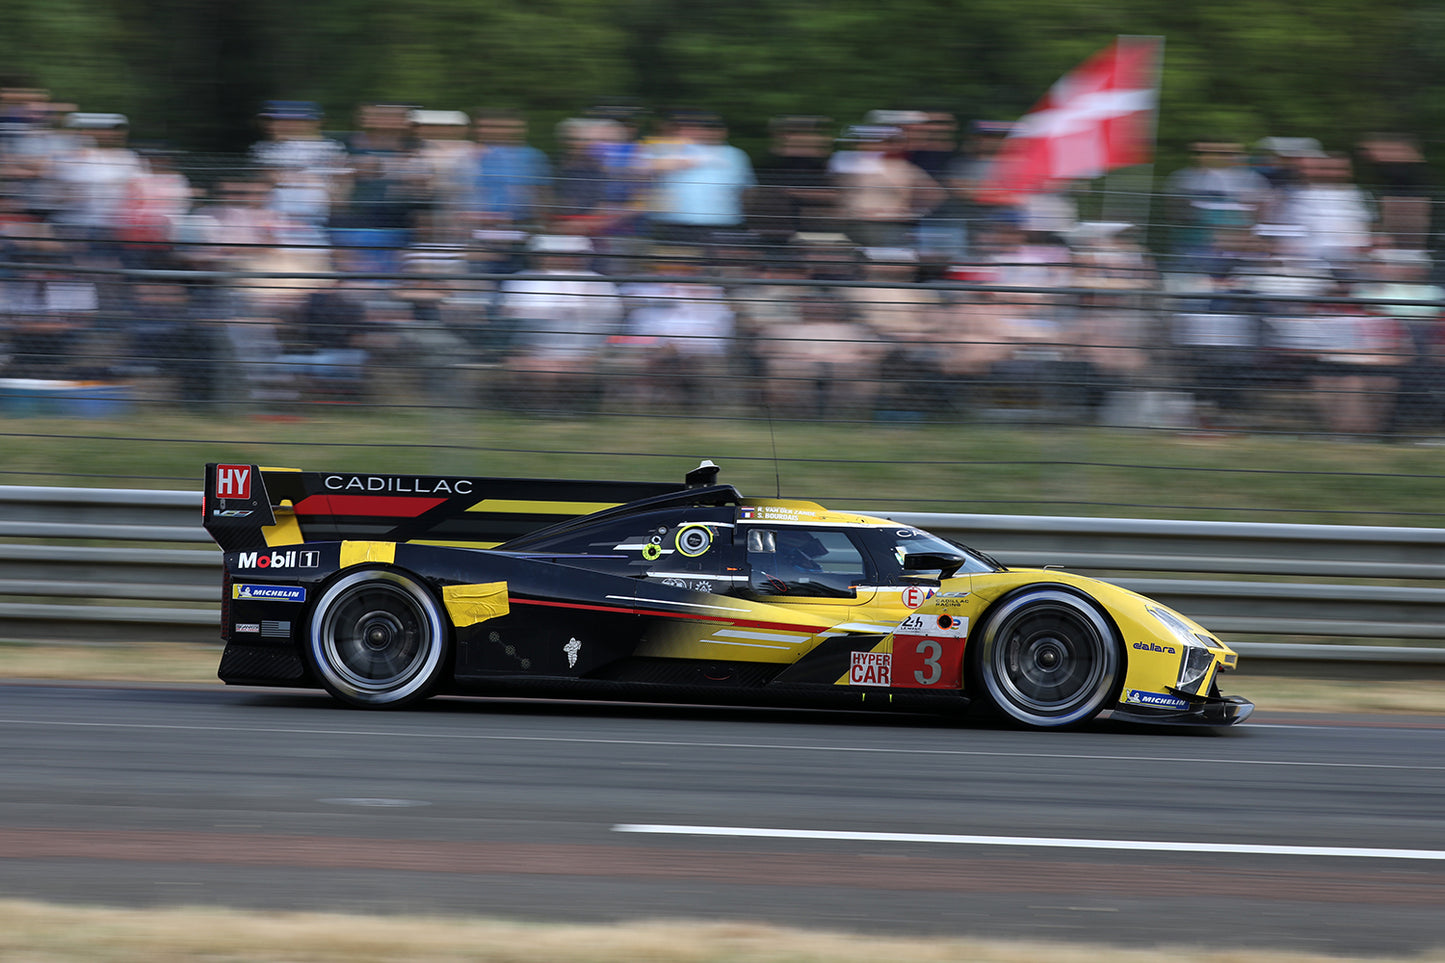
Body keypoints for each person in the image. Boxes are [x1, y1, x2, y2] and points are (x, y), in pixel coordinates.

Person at [645, 111, 755, 244]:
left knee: (718, 263)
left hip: (722, 224)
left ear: (725, 130)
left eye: (715, 127)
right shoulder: (668, 148)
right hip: (673, 224)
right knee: (676, 263)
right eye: (705, 126)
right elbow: (643, 169)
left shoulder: (736, 155)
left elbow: (748, 191)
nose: (710, 131)